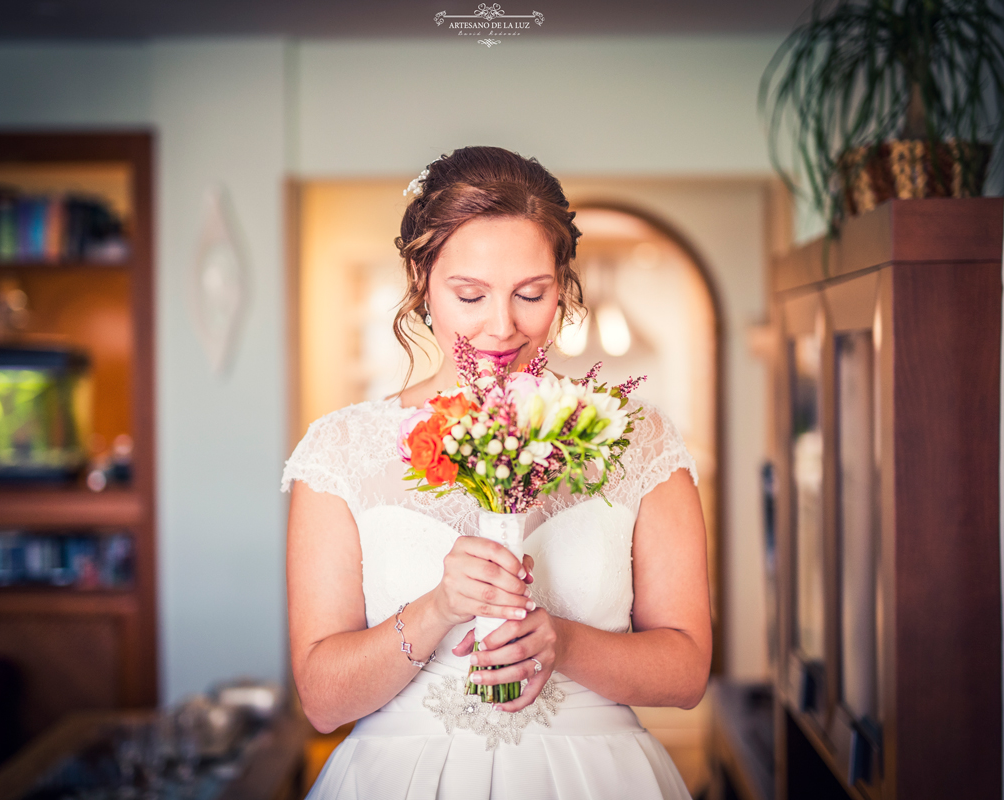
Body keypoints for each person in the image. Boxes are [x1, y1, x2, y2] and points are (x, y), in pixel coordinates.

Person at [282, 146, 711, 799]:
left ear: (562, 286)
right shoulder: (340, 453)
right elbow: (321, 701)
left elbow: (686, 672)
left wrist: (564, 642)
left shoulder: (639, 441)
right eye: (471, 295)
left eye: (531, 294)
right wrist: (437, 610)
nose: (502, 327)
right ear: (423, 281)